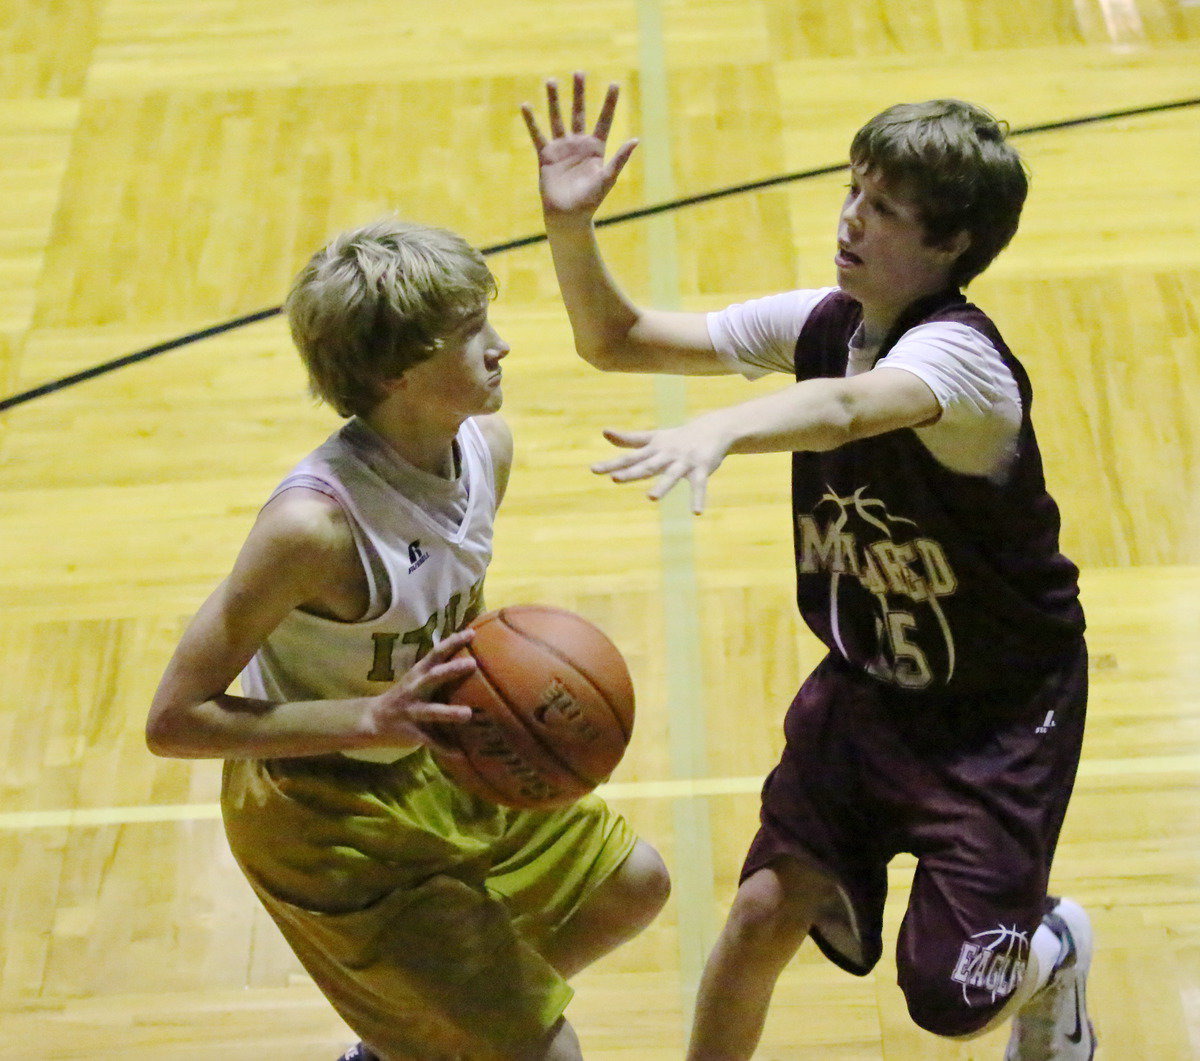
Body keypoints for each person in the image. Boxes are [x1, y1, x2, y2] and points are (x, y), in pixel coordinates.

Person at [522, 73, 1094, 1060]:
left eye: (885, 210)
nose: (852, 221)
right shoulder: (824, 320)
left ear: (951, 244)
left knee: (949, 997)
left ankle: (1055, 948)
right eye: (852, 192)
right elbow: (616, 339)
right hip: (869, 689)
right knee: (756, 914)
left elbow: (843, 410)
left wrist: (720, 429)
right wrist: (570, 230)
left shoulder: (962, 362)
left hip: (997, 713)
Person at [146, 216, 670, 1061]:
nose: (501, 348)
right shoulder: (311, 529)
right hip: (324, 813)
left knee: (633, 887)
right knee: (547, 1051)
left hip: (441, 757)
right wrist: (370, 719)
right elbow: (173, 720)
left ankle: (407, 1048)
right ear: (395, 370)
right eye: (470, 336)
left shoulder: (486, 448)